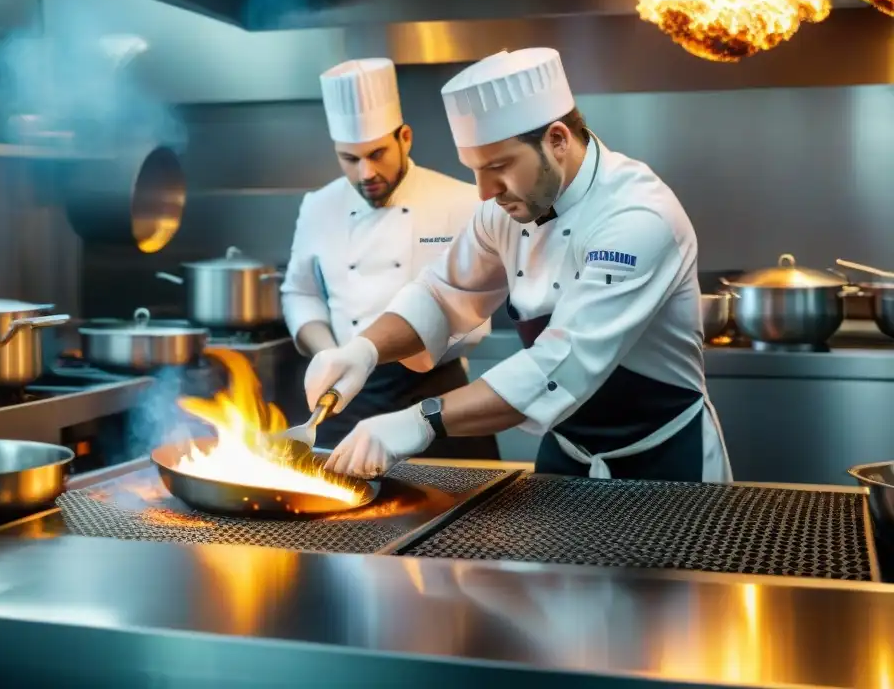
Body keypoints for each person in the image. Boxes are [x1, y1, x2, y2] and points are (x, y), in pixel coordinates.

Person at [306, 47, 732, 482]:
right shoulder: (505, 208)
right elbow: (440, 294)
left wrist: (423, 418)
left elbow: (560, 362)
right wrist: (364, 349)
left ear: (558, 140)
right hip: (567, 453)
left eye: (499, 166)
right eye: (474, 170)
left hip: (662, 458)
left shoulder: (636, 217)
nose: (485, 192)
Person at [281, 57, 498, 460]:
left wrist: (377, 350)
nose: (365, 172)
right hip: (343, 401)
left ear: (406, 137)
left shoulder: (462, 200)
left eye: (377, 153)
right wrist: (331, 354)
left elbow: (469, 314)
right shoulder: (318, 205)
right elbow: (300, 292)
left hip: (435, 394)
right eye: (349, 158)